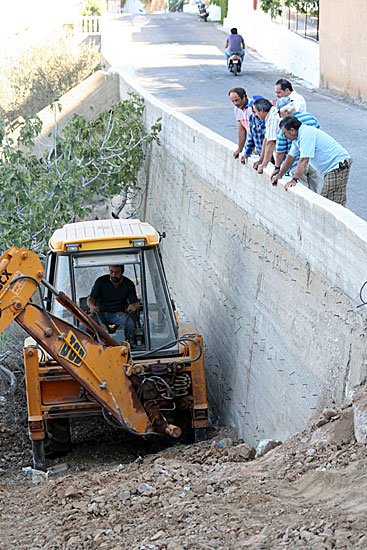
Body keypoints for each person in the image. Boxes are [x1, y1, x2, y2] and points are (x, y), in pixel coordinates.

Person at [271, 115, 352, 206]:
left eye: (284, 133)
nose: (284, 136)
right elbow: (290, 158)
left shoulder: (306, 134)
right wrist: (280, 175)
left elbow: (304, 160)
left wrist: (294, 180)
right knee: (336, 201)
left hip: (337, 165)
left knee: (326, 203)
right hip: (333, 167)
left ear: (292, 130)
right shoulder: (297, 139)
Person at [271, 97, 320, 193]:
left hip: (297, 166)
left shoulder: (284, 128)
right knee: (314, 195)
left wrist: (277, 168)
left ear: (285, 111)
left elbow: (280, 152)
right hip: (314, 163)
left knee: (303, 196)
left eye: (279, 113)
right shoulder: (310, 117)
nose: (280, 116)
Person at [87, 265, 140, 339]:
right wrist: (92, 306)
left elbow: (136, 303)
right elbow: (91, 299)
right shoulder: (101, 281)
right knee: (85, 324)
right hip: (100, 314)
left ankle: (125, 343)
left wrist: (134, 306)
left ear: (122, 271)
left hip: (118, 315)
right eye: (111, 272)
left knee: (129, 324)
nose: (113, 275)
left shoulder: (128, 284)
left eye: (117, 272)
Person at [252, 98, 280, 174]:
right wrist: (261, 160)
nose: (255, 115)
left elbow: (271, 142)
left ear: (262, 111)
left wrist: (264, 164)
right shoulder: (269, 116)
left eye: (255, 112)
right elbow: (266, 139)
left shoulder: (273, 117)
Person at [240, 96, 266, 165]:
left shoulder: (266, 119)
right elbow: (251, 136)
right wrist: (246, 153)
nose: (251, 109)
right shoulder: (252, 117)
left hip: (269, 156)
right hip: (261, 154)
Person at [228, 87, 252, 159]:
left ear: (244, 97)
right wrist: (240, 149)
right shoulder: (237, 110)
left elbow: (258, 131)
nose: (235, 103)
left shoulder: (252, 108)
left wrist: (252, 148)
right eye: (233, 101)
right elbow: (241, 130)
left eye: (237, 100)